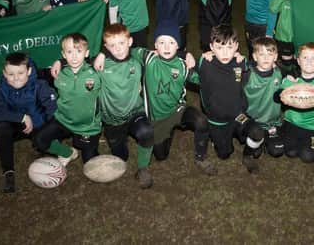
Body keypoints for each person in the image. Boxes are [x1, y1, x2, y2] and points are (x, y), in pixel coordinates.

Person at [127, 22, 214, 175]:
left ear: (177, 46)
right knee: (161, 156)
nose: (166, 47)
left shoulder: (182, 66)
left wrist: (211, 58)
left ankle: (201, 157)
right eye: (162, 42)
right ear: (155, 46)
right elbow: (128, 50)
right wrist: (103, 55)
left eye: (171, 42)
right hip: (156, 118)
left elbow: (202, 79)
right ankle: (164, 137)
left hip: (177, 110)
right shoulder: (148, 58)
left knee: (201, 121)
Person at [189, 24, 265, 174]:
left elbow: (254, 71)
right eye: (219, 47)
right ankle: (217, 141)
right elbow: (190, 73)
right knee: (224, 154)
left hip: (238, 115)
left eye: (230, 47)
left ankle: (248, 156)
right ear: (211, 47)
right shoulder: (205, 63)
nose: (225, 52)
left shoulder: (241, 63)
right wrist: (189, 57)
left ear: (236, 46)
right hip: (217, 120)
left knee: (257, 132)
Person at [98, 24, 155, 188]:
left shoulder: (137, 57)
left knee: (147, 132)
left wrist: (186, 55)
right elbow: (77, 62)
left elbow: (162, 55)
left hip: (134, 112)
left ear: (130, 41)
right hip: (112, 119)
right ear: (106, 47)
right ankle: (119, 149)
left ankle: (143, 168)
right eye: (112, 46)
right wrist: (60, 62)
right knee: (120, 156)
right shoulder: (101, 64)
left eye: (122, 43)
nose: (118, 49)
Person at [33, 33, 102, 168]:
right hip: (64, 120)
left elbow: (114, 57)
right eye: (69, 52)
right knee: (39, 140)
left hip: (87, 126)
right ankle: (68, 152)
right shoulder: (57, 72)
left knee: (90, 164)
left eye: (79, 51)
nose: (74, 56)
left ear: (87, 53)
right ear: (63, 54)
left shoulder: (96, 71)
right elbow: (32, 71)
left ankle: (87, 147)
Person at [0, 53, 57, 193]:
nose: (16, 78)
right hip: (19, 124)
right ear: (4, 73)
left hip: (40, 124)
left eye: (20, 73)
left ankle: (65, 152)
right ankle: (8, 172)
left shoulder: (39, 85)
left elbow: (54, 110)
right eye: (10, 74)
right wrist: (22, 117)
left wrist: (49, 131)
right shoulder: (4, 86)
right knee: (3, 128)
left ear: (28, 71)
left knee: (45, 144)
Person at [277, 42, 314, 163]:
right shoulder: (291, 79)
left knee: (308, 156)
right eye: (305, 57)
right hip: (291, 122)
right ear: (298, 61)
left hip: (312, 126)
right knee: (290, 152)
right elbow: (276, 97)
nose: (309, 61)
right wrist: (284, 92)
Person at [242, 37, 286, 172]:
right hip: (252, 120)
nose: (266, 58)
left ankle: (264, 140)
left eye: (270, 54)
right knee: (254, 147)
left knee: (277, 151)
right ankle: (247, 155)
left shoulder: (280, 73)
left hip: (272, 122)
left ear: (276, 56)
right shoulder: (247, 73)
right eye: (261, 54)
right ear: (254, 57)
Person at [269, 0, 309, 75]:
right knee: (287, 64)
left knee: (302, 62)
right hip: (284, 37)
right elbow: (273, 8)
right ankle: (285, 81)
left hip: (302, 37)